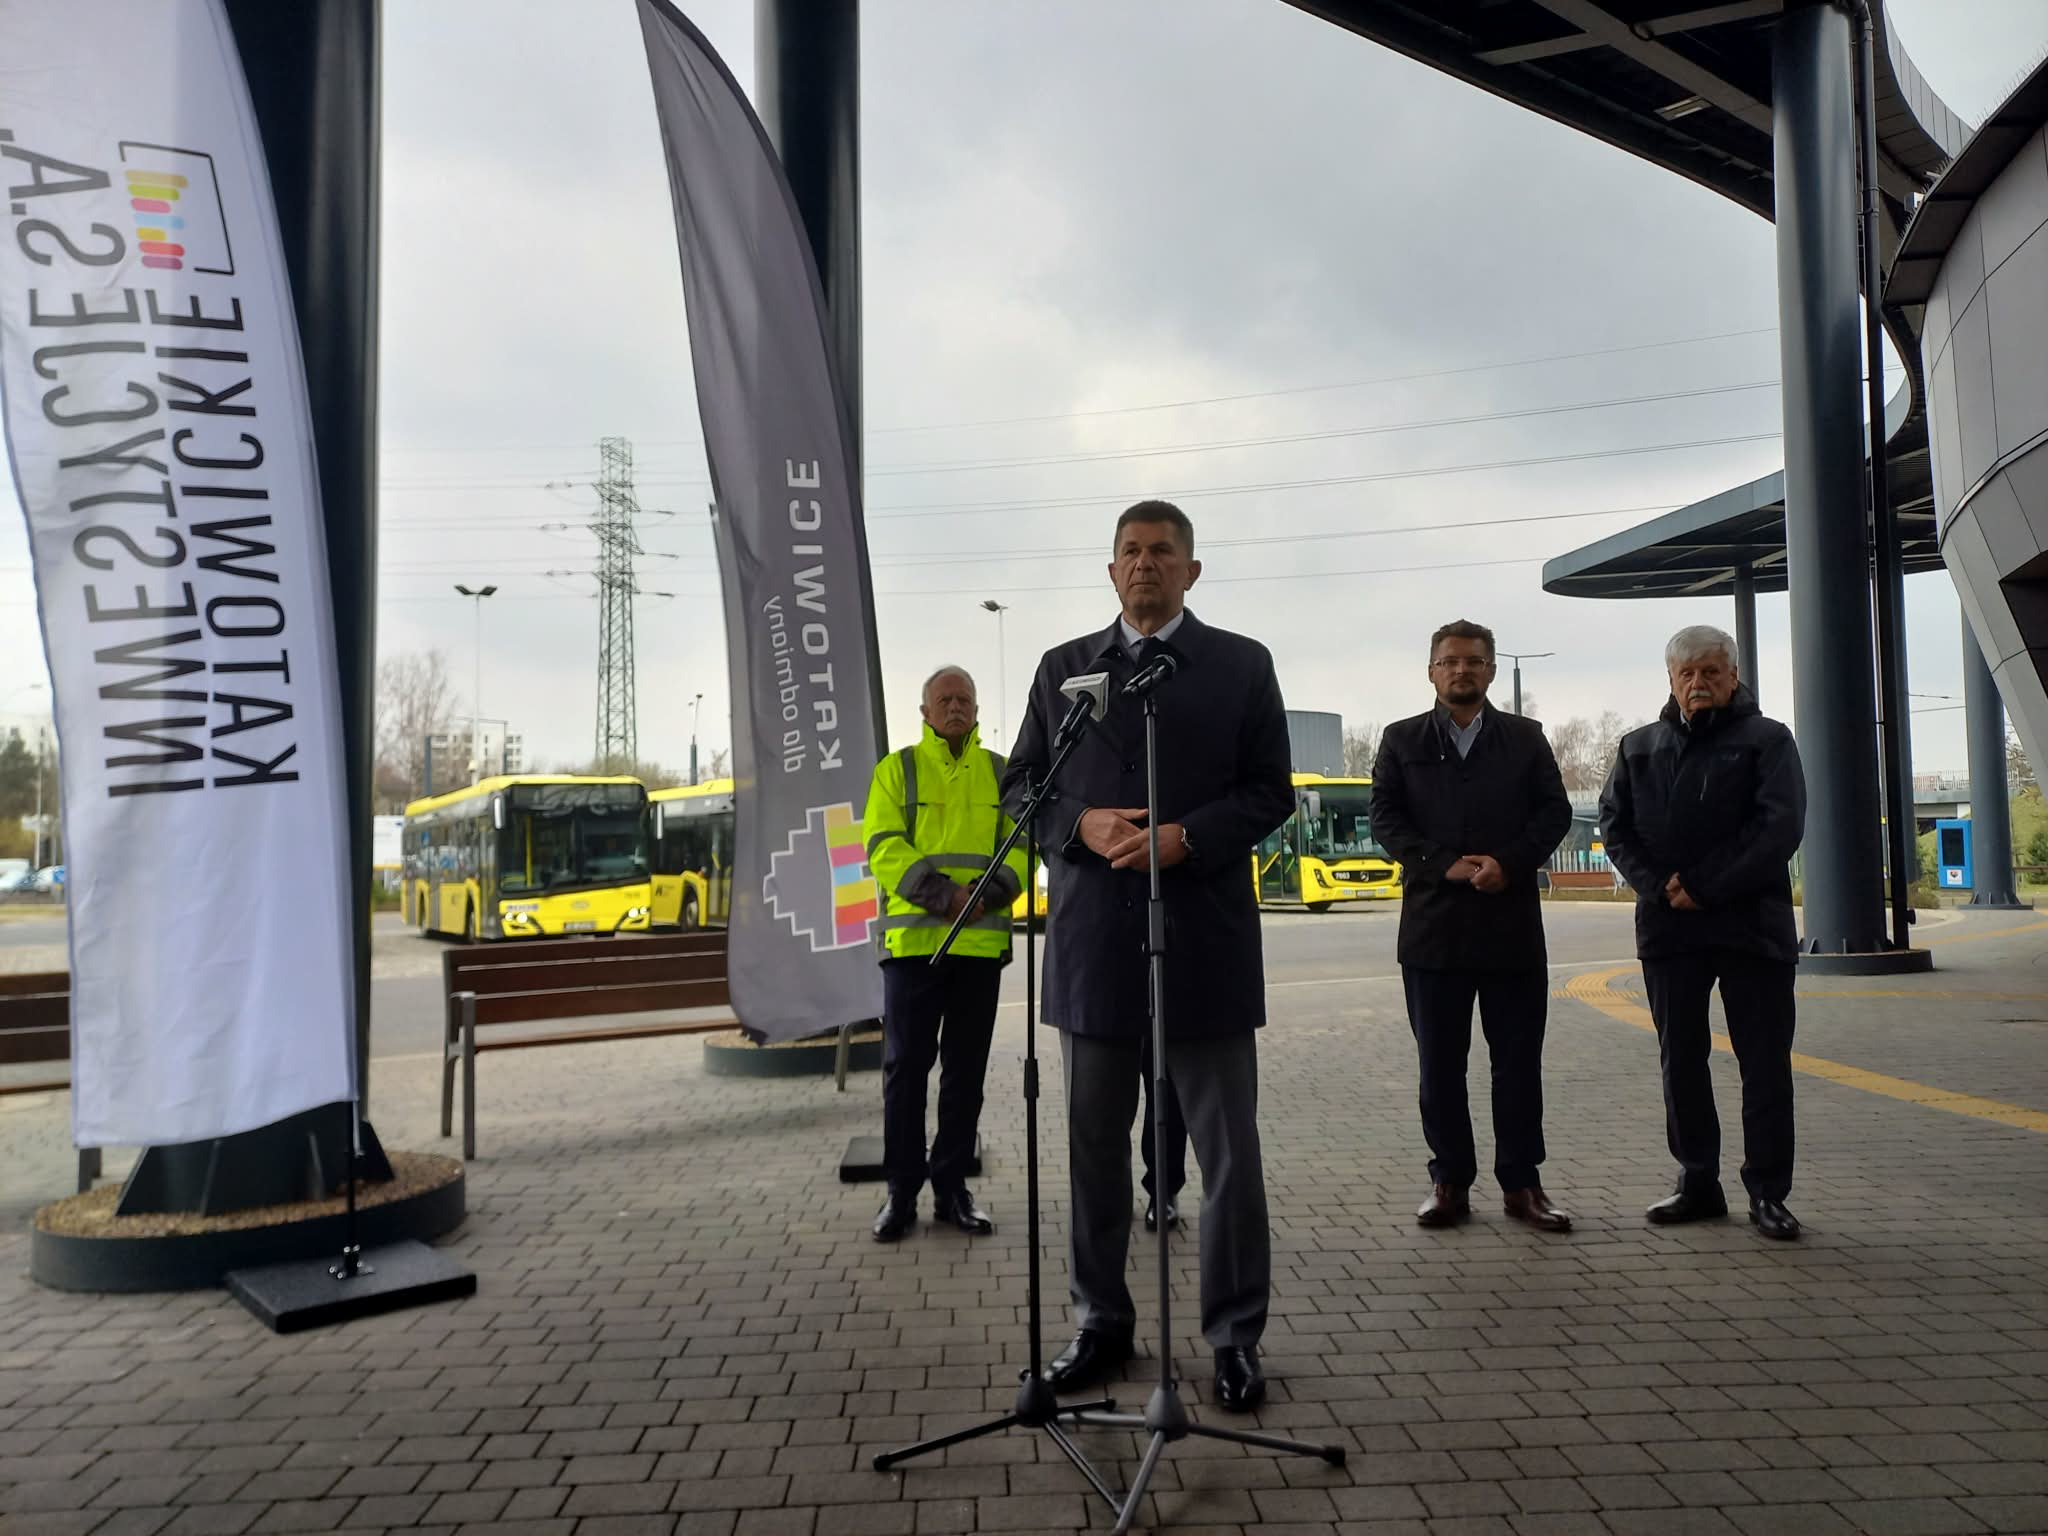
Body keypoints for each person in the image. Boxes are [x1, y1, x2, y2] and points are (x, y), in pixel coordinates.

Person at [1003, 499, 1293, 1412]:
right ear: (1111, 568)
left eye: (1162, 552)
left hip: (1202, 942)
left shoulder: (1240, 665)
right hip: (1092, 949)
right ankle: (1100, 1322)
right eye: (1129, 551)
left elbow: (1269, 791)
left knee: (1226, 1154)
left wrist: (1188, 838)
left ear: (1192, 571)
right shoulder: (1061, 670)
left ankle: (1235, 1337)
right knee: (1092, 1148)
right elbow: (1020, 788)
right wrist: (1079, 823)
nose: (1144, 565)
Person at [1599, 625, 1807, 1241]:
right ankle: (1698, 1182)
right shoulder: (1638, 746)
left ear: (1734, 676)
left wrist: (1705, 886)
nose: (1699, 683)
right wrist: (1659, 883)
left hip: (1753, 929)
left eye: (1711, 671)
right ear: (1670, 680)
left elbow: (1779, 828)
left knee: (1764, 1064)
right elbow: (1615, 826)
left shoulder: (1768, 741)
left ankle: (1768, 1193)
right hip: (1670, 930)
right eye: (1686, 674)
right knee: (1680, 1060)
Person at [1370, 620, 1575, 1232]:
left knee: (1517, 1064)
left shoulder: (1525, 738)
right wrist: (1444, 865)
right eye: (1450, 661)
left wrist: (1507, 863)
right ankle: (1450, 1182)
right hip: (1433, 933)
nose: (1462, 670)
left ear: (1490, 671)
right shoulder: (1400, 739)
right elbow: (1387, 818)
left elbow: (1555, 812)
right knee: (1440, 1065)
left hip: (1510, 929)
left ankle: (1523, 1185)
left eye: (1474, 661)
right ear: (1431, 671)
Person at [863, 666, 1026, 1242]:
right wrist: (943, 896)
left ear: (977, 711)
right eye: (944, 699)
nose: (955, 707)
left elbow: (1024, 841)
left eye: (964, 699)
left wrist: (991, 893)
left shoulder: (1002, 772)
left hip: (979, 947)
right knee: (905, 1072)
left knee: (964, 1075)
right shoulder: (897, 770)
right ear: (925, 712)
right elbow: (882, 844)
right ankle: (900, 1195)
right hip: (911, 947)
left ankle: (952, 1190)